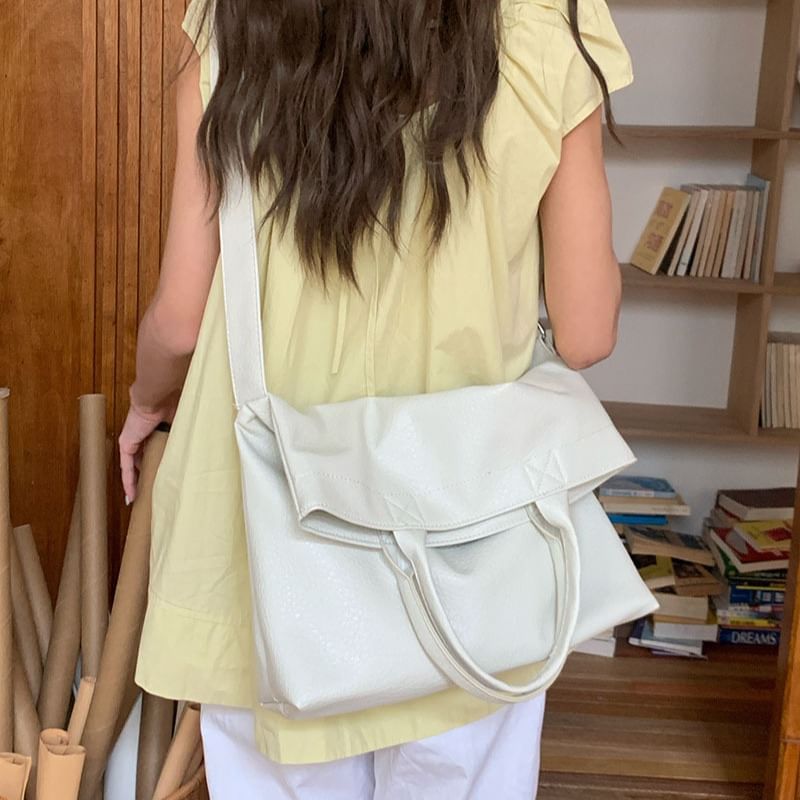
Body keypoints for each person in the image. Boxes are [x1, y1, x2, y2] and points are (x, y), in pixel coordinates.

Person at [118, 0, 633, 796]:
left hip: (268, 540)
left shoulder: (234, 26)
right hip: (473, 538)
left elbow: (179, 322)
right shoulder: (546, 24)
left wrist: (146, 400)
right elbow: (586, 331)